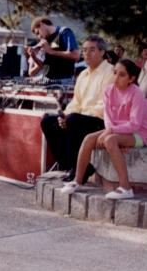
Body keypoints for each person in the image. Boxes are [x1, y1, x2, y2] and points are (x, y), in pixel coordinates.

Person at [59, 59, 147, 199]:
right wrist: (114, 132)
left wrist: (114, 134)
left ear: (132, 79)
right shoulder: (109, 91)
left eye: (122, 75)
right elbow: (108, 117)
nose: (116, 78)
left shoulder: (136, 94)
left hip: (139, 133)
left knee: (110, 140)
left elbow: (135, 124)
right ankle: (77, 180)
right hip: (117, 130)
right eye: (115, 73)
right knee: (88, 139)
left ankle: (126, 187)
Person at [41, 34, 114, 182]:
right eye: (84, 50)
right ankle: (69, 165)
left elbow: (106, 105)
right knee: (48, 122)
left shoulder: (110, 72)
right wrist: (65, 116)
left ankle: (78, 168)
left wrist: (73, 117)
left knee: (74, 120)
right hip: (81, 118)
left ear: (102, 52)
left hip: (102, 121)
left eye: (92, 50)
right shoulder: (82, 75)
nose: (87, 53)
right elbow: (76, 102)